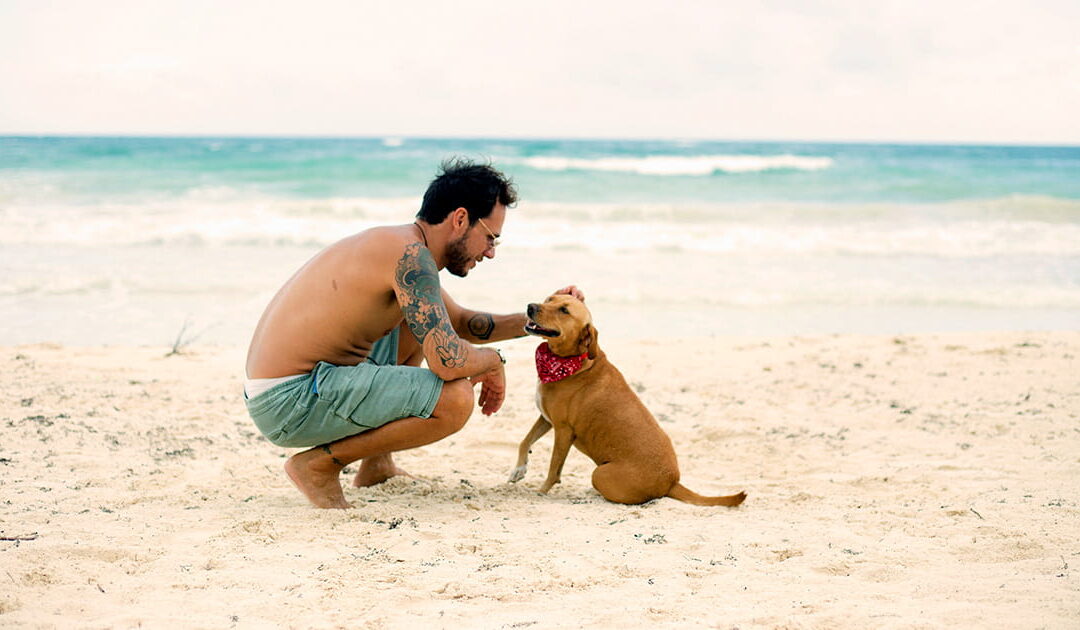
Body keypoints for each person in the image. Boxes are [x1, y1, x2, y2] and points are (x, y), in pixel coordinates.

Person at [244, 158, 582, 508]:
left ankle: (377, 465)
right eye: (490, 237)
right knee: (455, 399)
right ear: (461, 219)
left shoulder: (402, 245)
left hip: (297, 386)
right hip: (289, 401)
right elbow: (448, 361)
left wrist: (547, 319)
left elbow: (464, 323)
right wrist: (492, 361)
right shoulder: (410, 257)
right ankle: (318, 465)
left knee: (418, 322)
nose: (491, 252)